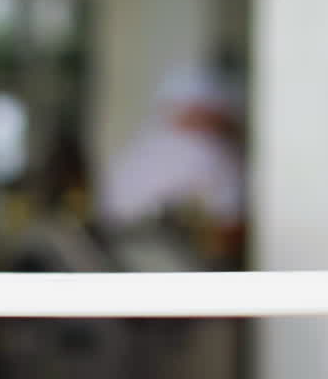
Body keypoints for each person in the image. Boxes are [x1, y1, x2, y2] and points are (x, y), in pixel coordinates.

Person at [98, 62, 245, 265]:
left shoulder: (147, 144)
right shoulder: (205, 150)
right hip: (166, 257)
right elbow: (231, 224)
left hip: (127, 254)